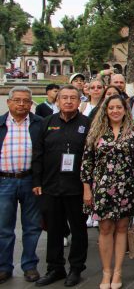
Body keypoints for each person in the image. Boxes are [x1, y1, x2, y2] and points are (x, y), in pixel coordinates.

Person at [81, 94, 134, 289]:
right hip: (102, 189)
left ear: (125, 110)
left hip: (127, 187)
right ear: (105, 111)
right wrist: (87, 189)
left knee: (122, 228)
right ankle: (106, 271)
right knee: (106, 229)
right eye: (111, 108)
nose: (115, 111)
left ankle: (118, 271)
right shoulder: (96, 132)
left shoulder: (133, 132)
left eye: (119, 107)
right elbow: (86, 163)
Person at [31, 85, 89, 287]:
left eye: (73, 97)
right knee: (54, 229)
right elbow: (37, 154)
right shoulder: (47, 123)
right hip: (51, 185)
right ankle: (55, 268)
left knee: (79, 229)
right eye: (64, 97)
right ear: (57, 100)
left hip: (77, 187)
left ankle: (76, 268)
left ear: (79, 101)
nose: (68, 101)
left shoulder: (86, 124)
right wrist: (37, 181)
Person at [0, 87, 44, 283]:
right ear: (9, 102)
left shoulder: (39, 124)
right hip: (4, 181)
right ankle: (4, 266)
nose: (21, 104)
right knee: (4, 228)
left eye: (26, 101)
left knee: (32, 226)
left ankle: (29, 265)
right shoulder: (1, 124)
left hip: (31, 181)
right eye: (17, 100)